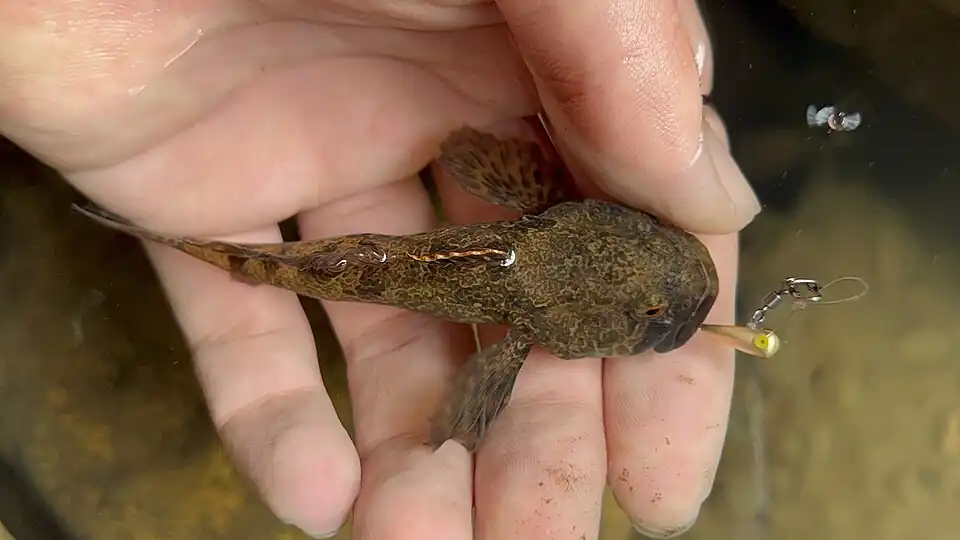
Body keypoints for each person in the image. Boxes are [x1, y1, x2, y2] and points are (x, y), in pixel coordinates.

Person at [0, 1, 761, 538]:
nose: (666, 304)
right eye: (651, 314)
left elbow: (467, 152)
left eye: (651, 308)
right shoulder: (522, 327)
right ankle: (196, 246)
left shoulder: (538, 214)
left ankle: (197, 246)